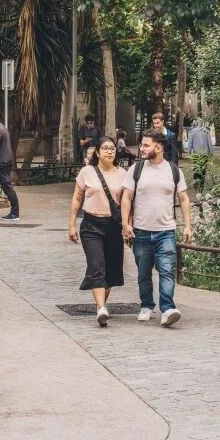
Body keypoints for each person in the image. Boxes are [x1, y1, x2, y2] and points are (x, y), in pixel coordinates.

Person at [121, 130, 193, 327]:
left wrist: (187, 226)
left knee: (167, 270)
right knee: (143, 273)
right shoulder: (135, 170)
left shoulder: (173, 171)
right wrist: (125, 224)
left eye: (146, 145)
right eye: (142, 145)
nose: (142, 149)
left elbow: (184, 198)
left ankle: (167, 308)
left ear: (159, 147)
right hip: (141, 230)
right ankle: (146, 305)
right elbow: (126, 197)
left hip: (166, 231)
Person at [68, 136, 127, 326]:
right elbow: (77, 199)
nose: (109, 151)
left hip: (114, 226)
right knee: (97, 265)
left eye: (112, 148)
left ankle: (101, 306)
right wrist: (71, 224)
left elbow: (128, 203)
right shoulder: (87, 172)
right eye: (105, 148)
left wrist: (127, 225)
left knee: (111, 269)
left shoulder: (123, 174)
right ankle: (101, 308)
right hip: (91, 225)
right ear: (98, 153)